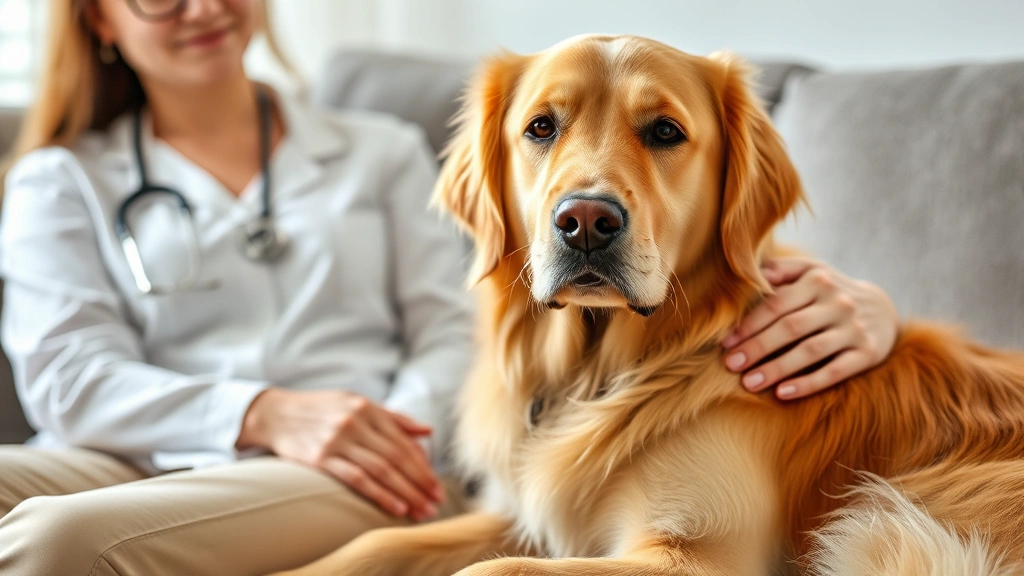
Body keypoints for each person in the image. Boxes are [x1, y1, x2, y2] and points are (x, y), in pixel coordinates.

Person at [0, 0, 900, 574]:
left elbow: (454, 335)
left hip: (361, 455)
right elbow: (69, 378)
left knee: (52, 543)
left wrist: (866, 304)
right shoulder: (58, 178)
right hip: (127, 446)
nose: (201, 7)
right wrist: (260, 410)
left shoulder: (379, 151)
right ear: (98, 21)